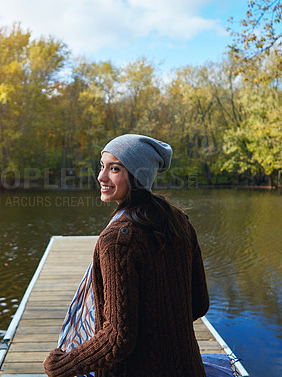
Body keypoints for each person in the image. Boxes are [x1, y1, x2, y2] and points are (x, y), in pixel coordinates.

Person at [43, 134, 210, 377]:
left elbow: (118, 339)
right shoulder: (179, 221)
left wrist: (62, 365)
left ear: (137, 175)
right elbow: (199, 303)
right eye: (102, 166)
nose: (101, 176)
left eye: (115, 168)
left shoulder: (118, 242)